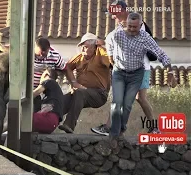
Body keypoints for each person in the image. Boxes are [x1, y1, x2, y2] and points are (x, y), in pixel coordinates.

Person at [91, 0, 162, 136]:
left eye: (114, 13)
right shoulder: (120, 27)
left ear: (122, 10)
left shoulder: (137, 24)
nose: (112, 16)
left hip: (139, 68)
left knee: (139, 98)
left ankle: (152, 128)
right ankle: (112, 127)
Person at [106, 12, 175, 148]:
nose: (132, 30)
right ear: (126, 24)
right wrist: (111, 57)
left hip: (136, 74)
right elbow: (109, 43)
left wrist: (170, 70)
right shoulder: (117, 34)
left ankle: (122, 129)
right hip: (119, 73)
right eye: (130, 26)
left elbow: (160, 53)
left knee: (127, 104)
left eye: (135, 27)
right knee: (116, 103)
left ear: (140, 25)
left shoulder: (145, 37)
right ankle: (113, 135)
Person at [58, 33, 111, 133]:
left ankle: (69, 125)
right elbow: (67, 68)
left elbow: (111, 60)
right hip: (82, 93)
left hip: (99, 94)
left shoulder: (100, 53)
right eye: (82, 47)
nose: (82, 49)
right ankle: (48, 123)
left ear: (94, 47)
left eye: (86, 47)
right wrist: (73, 82)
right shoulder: (79, 57)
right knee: (62, 101)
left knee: (79, 93)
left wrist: (101, 45)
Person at [33, 37, 67, 112]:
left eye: (44, 54)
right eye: (39, 54)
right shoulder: (26, 54)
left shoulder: (55, 56)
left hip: (46, 90)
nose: (41, 56)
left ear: (49, 49)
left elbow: (64, 69)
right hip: (31, 88)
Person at [32, 68, 64, 134]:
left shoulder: (50, 81)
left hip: (48, 118)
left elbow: (34, 93)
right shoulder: (54, 92)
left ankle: (4, 129)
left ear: (46, 75)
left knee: (18, 119)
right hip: (52, 124)